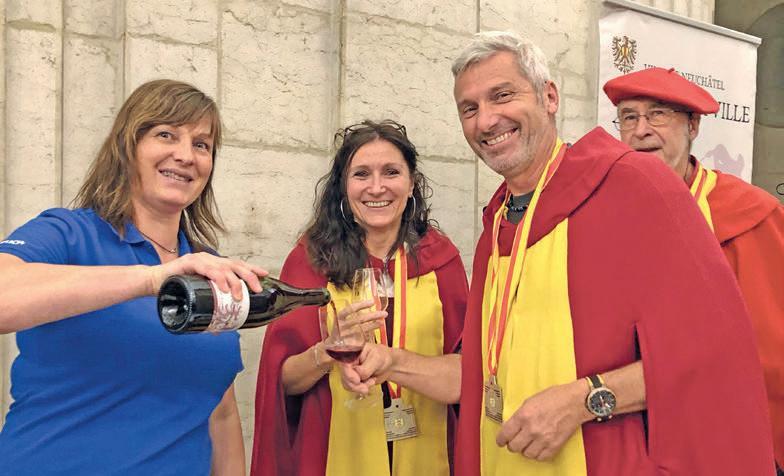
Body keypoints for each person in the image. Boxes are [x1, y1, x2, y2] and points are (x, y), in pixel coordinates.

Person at [451, 31, 775, 475]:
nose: (486, 120)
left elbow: (715, 354)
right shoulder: (500, 214)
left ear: (550, 97)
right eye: (469, 109)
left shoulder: (634, 185)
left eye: (502, 95)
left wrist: (585, 399)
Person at [0, 79, 265, 475]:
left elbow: (220, 413)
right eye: (166, 134)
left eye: (201, 144)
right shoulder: (68, 234)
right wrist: (152, 279)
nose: (185, 155)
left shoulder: (208, 268)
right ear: (128, 146)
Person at [251, 120, 468, 476]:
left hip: (430, 453)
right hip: (331, 454)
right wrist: (327, 351)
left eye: (391, 172)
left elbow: (466, 378)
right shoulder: (310, 261)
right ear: (343, 186)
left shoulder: (441, 260)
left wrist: (395, 363)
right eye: (362, 174)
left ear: (411, 183)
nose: (376, 187)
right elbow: (283, 381)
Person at [603, 66, 784, 473]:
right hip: (631, 432)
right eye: (629, 117)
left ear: (693, 126)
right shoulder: (606, 212)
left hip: (724, 435)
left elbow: (772, 348)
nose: (641, 130)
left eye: (658, 114)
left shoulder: (750, 215)